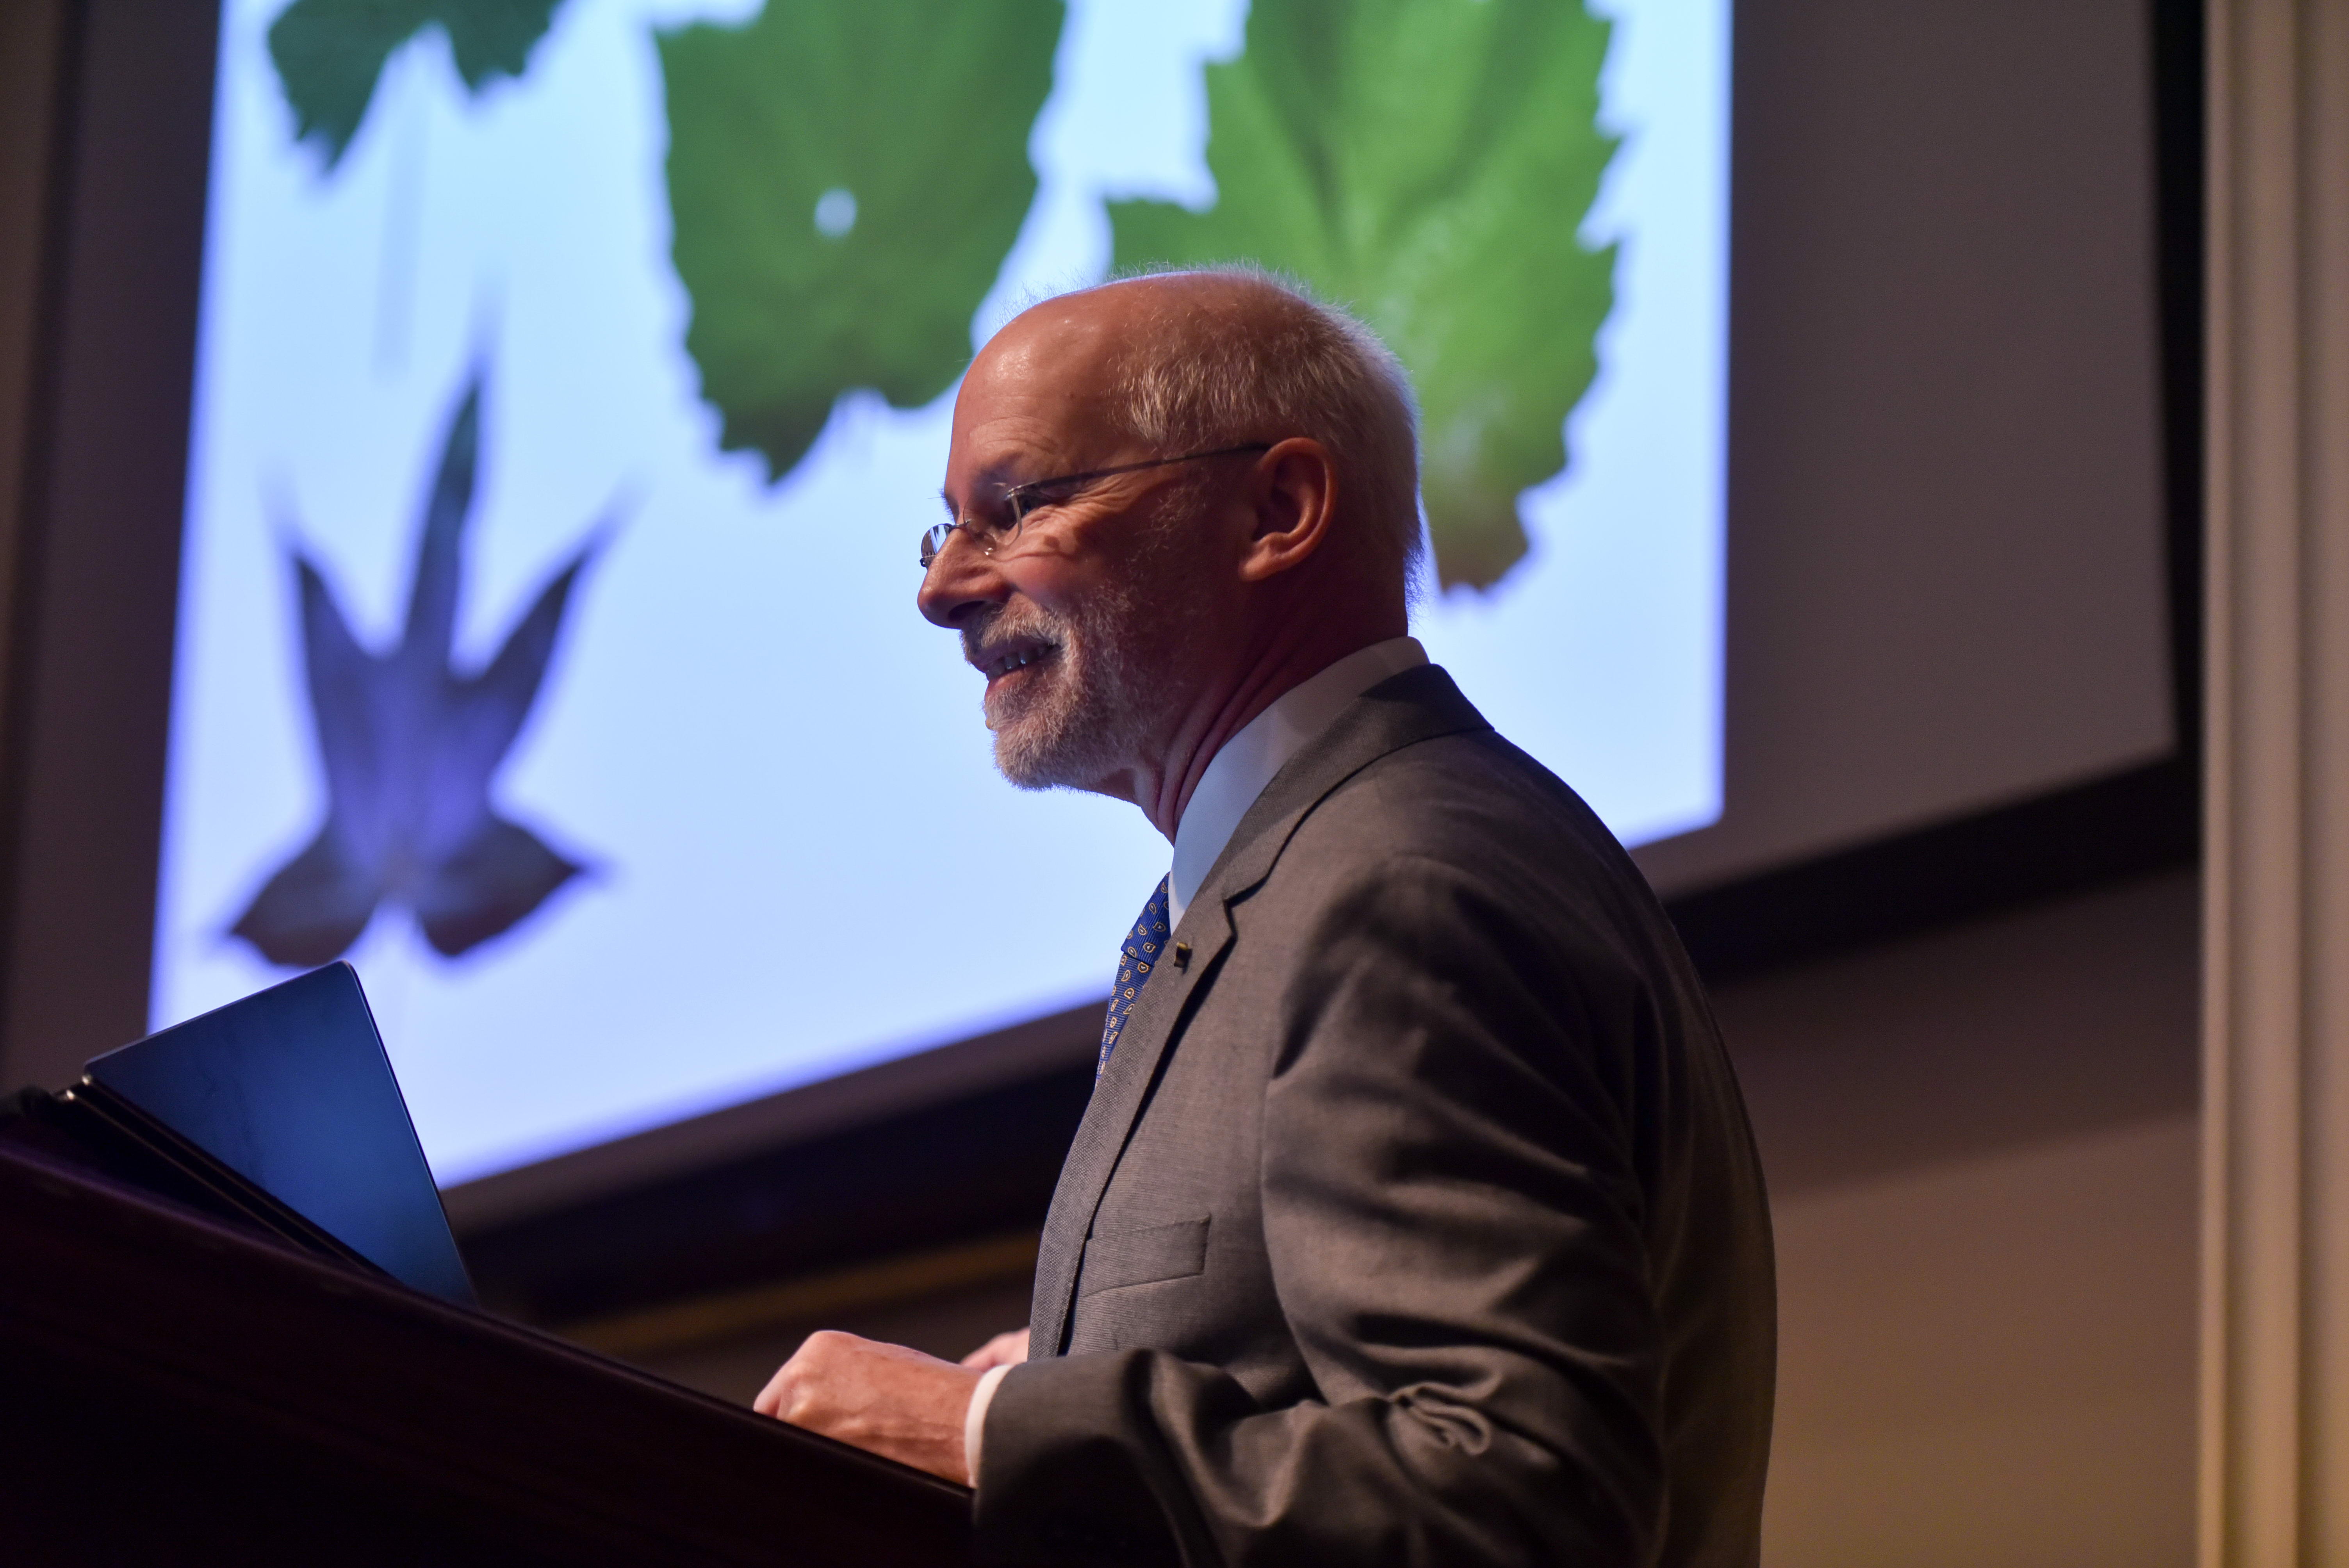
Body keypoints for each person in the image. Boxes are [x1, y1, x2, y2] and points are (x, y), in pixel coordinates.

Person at [754, 267, 1775, 1566]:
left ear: (1279, 509)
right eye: (944, 529)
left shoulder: (1396, 889)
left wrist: (995, 1427)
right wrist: (1082, 1370)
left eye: (1013, 510)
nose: (944, 587)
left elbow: (1517, 1494)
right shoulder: (1303, 869)